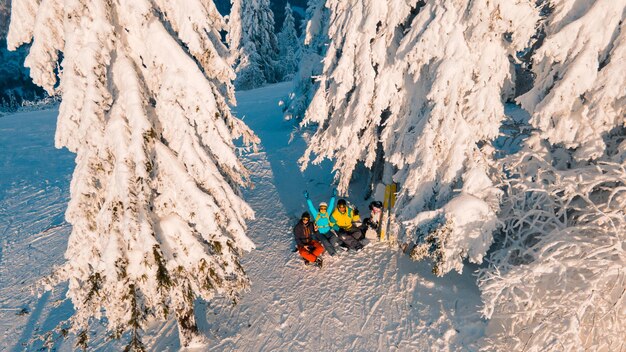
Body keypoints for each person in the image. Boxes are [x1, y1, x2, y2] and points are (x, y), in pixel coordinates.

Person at [304, 189, 344, 255]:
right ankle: (332, 252)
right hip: (319, 232)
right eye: (321, 208)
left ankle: (327, 248)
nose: (323, 209)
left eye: (324, 208)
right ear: (319, 209)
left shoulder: (327, 213)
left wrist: (333, 196)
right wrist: (307, 198)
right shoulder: (316, 214)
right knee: (325, 241)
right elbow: (311, 207)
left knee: (334, 237)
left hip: (327, 231)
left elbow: (331, 205)